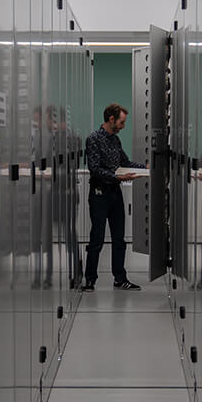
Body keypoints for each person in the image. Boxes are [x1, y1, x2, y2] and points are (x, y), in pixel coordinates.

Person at [82, 103, 145, 291]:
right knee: (97, 239)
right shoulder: (93, 139)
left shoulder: (115, 140)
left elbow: (124, 162)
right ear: (111, 119)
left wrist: (145, 168)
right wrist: (117, 176)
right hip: (99, 193)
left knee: (119, 239)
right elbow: (94, 169)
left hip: (115, 193)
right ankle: (90, 280)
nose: (123, 126)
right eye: (122, 122)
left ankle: (120, 279)